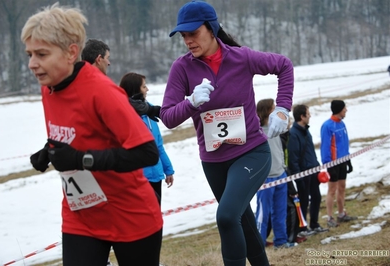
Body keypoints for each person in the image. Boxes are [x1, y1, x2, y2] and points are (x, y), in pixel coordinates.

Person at [21, 3, 163, 266]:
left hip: (129, 214)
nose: (32, 64)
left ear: (70, 52)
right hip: (81, 215)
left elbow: (147, 152)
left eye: (41, 54)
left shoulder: (103, 92)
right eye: (29, 54)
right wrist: (49, 150)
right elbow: (77, 129)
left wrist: (81, 159)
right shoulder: (48, 87)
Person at [161, 1, 294, 265]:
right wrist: (191, 103)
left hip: (251, 153)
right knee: (242, 221)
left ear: (211, 28)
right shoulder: (182, 68)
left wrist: (282, 108)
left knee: (226, 216)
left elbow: (284, 65)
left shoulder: (240, 57)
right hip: (213, 161)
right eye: (183, 35)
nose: (188, 40)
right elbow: (167, 117)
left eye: (193, 33)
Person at [119, 72, 174, 204]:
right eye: (144, 87)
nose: (147, 89)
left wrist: (168, 170)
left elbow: (158, 145)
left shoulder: (149, 110)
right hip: (137, 180)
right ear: (134, 89)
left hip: (156, 175)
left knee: (156, 219)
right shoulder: (123, 115)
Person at [255, 99, 297, 249]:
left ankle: (281, 241)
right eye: (273, 108)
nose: (276, 111)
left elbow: (289, 122)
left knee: (280, 212)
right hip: (265, 179)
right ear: (267, 111)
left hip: (281, 175)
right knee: (262, 215)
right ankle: (258, 245)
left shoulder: (277, 128)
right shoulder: (256, 131)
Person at [287, 104, 328, 236]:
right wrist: (298, 177)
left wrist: (317, 165)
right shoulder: (293, 134)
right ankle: (302, 228)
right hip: (303, 173)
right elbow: (293, 157)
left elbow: (310, 151)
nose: (310, 116)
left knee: (316, 197)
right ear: (302, 116)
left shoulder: (306, 130)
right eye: (308, 114)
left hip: (313, 170)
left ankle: (314, 224)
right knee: (303, 200)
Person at [320, 100, 356, 227]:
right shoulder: (327, 126)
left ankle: (341, 214)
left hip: (342, 161)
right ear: (339, 109)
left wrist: (348, 160)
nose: (346, 110)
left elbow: (344, 144)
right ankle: (330, 217)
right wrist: (328, 164)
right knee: (332, 190)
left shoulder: (342, 124)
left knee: (342, 187)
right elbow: (325, 146)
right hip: (333, 163)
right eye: (344, 108)